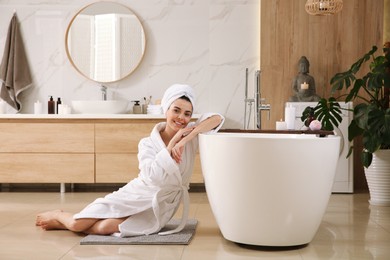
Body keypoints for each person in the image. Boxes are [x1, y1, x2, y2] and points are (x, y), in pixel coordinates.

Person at [35, 84, 224, 237]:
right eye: (176, 110)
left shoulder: (190, 137)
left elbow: (217, 118)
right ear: (166, 110)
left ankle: (63, 222)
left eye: (187, 114)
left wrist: (184, 138)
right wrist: (170, 145)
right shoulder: (148, 143)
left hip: (161, 204)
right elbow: (152, 177)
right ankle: (60, 216)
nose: (181, 118)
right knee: (78, 224)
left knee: (104, 228)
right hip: (138, 193)